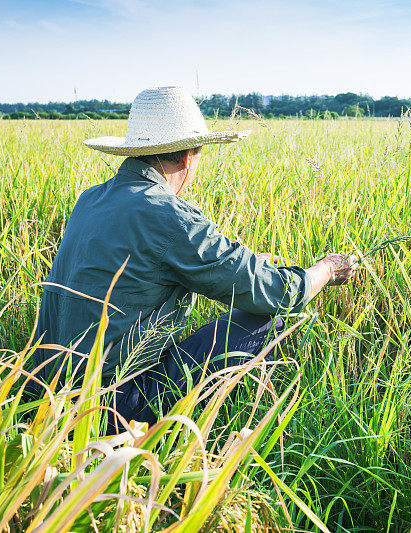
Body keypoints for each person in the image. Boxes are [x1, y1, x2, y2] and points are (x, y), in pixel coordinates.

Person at [28, 86, 358, 431]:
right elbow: (279, 293)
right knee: (265, 318)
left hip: (50, 393)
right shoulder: (168, 215)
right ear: (188, 156)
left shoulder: (90, 199)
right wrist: (327, 269)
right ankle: (242, 425)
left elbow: (137, 277)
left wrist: (235, 268)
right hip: (112, 404)